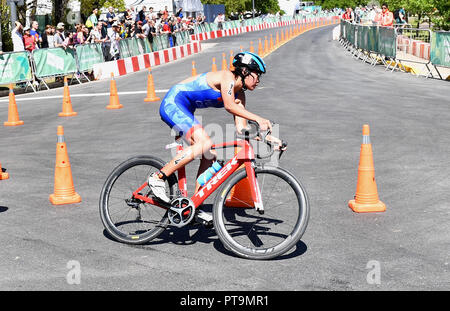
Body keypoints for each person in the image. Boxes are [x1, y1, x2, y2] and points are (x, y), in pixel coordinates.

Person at [148, 52, 285, 208]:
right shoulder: (227, 77)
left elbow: (243, 129)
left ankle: (193, 205)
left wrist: (269, 138)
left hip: (186, 109)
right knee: (205, 143)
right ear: (245, 71)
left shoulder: (239, 95)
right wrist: (259, 119)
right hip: (173, 103)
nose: (259, 80)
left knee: (209, 154)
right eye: (257, 74)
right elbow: (229, 106)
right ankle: (158, 177)